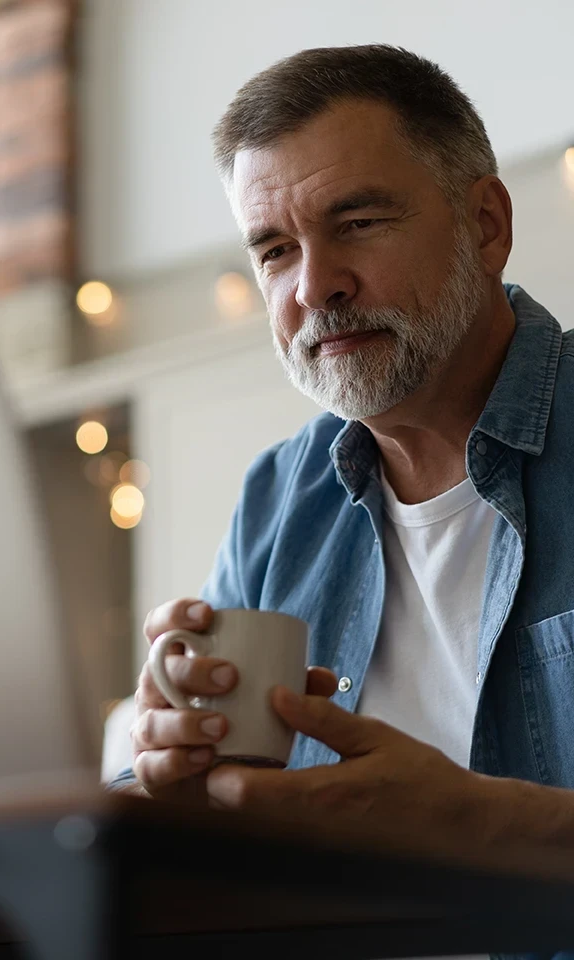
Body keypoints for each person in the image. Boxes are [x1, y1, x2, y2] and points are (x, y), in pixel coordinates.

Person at [109, 44, 574, 875]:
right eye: (275, 251)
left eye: (357, 223)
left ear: (487, 226)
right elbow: (212, 823)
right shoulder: (277, 498)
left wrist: (481, 823)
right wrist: (168, 785)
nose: (315, 286)